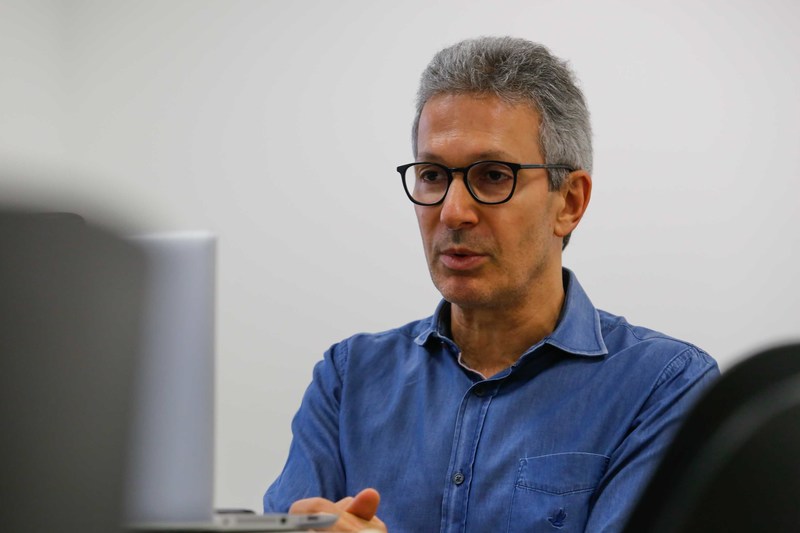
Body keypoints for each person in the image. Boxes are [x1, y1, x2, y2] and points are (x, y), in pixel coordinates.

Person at [263, 36, 719, 533]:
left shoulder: (664, 386)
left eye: (494, 175)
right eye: (433, 175)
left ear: (569, 202)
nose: (453, 211)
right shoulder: (349, 378)